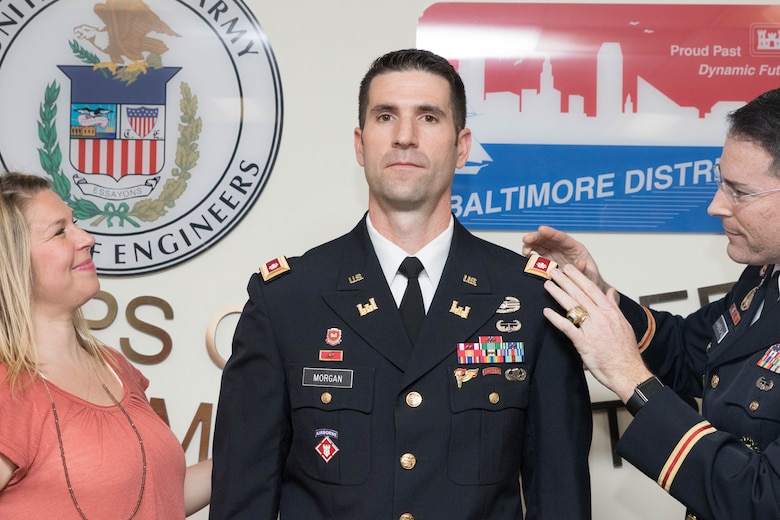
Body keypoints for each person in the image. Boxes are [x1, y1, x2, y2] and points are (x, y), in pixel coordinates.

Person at [210, 48, 592, 519]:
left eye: (429, 118)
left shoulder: (532, 300)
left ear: (462, 145)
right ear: (359, 142)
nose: (405, 137)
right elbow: (242, 499)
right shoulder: (286, 299)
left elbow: (561, 497)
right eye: (385, 116)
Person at [523, 86, 780, 520]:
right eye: (721, 182)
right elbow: (686, 351)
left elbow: (762, 498)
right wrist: (596, 290)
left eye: (740, 193)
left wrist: (630, 379)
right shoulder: (765, 276)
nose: (717, 205)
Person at [0, 172, 212, 518]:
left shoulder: (114, 366)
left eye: (76, 223)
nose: (86, 238)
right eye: (60, 231)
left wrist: (266, 448)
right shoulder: (7, 390)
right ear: (11, 261)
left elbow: (160, 498)